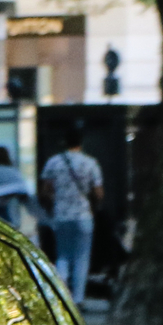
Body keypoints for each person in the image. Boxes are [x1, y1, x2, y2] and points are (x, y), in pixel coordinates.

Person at [39, 129, 105, 304]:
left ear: (65, 142)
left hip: (61, 214)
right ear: (80, 143)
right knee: (82, 258)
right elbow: (98, 193)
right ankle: (78, 299)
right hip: (83, 215)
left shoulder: (53, 162)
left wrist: (52, 204)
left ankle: (61, 295)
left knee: (62, 256)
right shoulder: (90, 163)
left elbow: (45, 191)